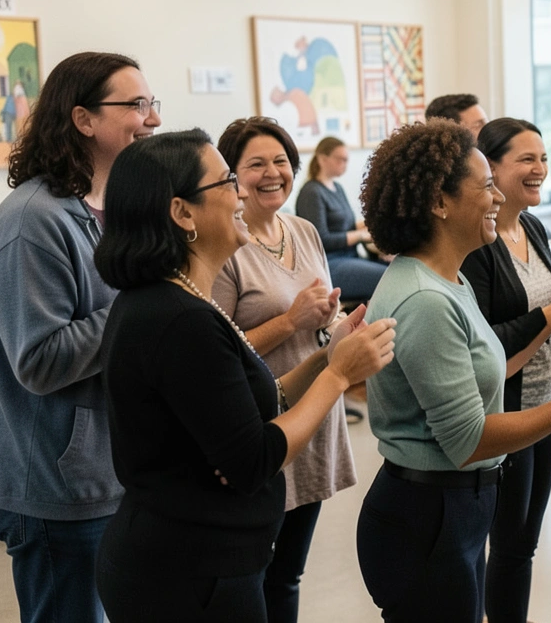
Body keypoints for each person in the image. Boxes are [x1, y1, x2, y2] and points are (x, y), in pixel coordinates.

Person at [92, 130, 395, 622]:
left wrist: (324, 358)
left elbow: (254, 402)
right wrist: (339, 377)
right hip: (186, 573)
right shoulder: (177, 318)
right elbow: (254, 457)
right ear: (182, 212)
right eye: (227, 181)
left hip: (196, 559)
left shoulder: (177, 301)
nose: (240, 194)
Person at [354, 120, 551, 622]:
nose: (496, 199)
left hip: (451, 509)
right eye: (486, 186)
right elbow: (469, 441)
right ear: (440, 203)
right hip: (427, 515)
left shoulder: (448, 278)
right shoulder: (425, 298)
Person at [0, 52, 161, 623]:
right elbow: (42, 360)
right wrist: (148, 305)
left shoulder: (109, 210)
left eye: (153, 104)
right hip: (56, 486)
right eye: (136, 105)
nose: (151, 120)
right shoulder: (32, 223)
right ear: (83, 120)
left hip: (109, 470)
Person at [460, 118, 551, 623]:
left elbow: (547, 326)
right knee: (497, 545)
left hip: (546, 405)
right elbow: (484, 350)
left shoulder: (534, 227)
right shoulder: (476, 246)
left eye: (543, 158)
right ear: (490, 167)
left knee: (520, 545)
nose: (540, 169)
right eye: (527, 159)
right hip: (503, 413)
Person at [212, 119, 356, 623]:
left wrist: (340, 326)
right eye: (256, 164)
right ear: (230, 176)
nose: (272, 173)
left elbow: (318, 318)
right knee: (254, 572)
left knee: (289, 573)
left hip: (312, 414)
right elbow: (215, 353)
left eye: (281, 162)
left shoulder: (304, 229)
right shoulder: (223, 244)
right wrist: (289, 320)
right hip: (261, 423)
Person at [295, 135, 388, 302]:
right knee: (390, 277)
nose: (345, 165)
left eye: (346, 160)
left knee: (396, 267)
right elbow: (321, 240)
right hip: (331, 264)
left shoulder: (337, 188)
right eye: (341, 160)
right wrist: (360, 235)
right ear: (322, 159)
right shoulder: (311, 193)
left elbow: (348, 226)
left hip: (350, 257)